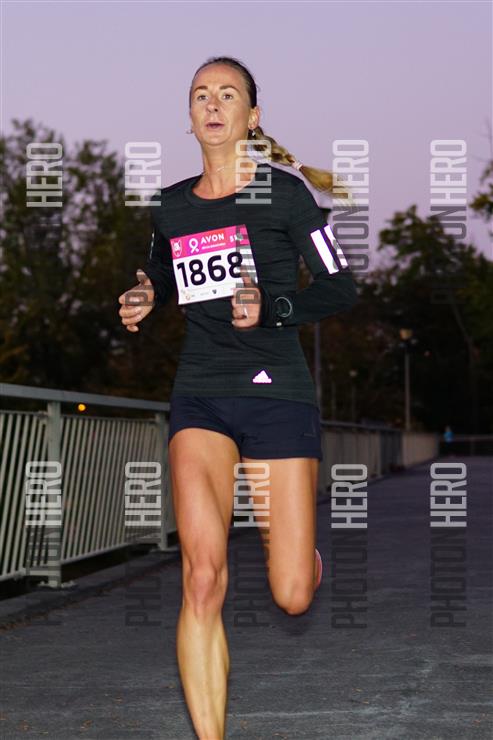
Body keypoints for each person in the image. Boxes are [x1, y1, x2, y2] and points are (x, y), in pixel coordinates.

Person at [118, 56, 358, 740]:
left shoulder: (286, 197)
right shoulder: (171, 206)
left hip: (277, 395)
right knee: (201, 578)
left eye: (228, 95)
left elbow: (340, 286)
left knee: (291, 594)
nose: (212, 104)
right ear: (190, 116)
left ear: (252, 117)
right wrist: (145, 296)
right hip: (201, 394)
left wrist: (274, 307)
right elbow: (163, 274)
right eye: (201, 95)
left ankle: (303, 560)